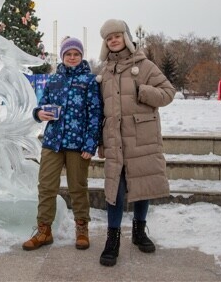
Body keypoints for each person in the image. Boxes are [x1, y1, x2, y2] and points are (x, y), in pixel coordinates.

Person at [95, 19, 176, 266]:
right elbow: (100, 110)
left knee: (142, 185)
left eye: (117, 36)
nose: (113, 41)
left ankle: (139, 232)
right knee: (115, 190)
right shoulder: (104, 72)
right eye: (109, 38)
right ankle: (113, 239)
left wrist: (144, 91)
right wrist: (100, 141)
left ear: (126, 37)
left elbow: (168, 92)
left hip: (142, 136)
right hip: (115, 138)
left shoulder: (145, 65)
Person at [22, 37, 103, 251]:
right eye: (69, 54)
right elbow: (40, 106)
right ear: (63, 57)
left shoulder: (90, 81)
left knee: (78, 187)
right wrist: (39, 113)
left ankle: (82, 228)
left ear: (81, 56)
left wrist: (90, 144)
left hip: (78, 144)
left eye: (76, 54)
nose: (72, 57)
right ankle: (44, 230)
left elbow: (95, 114)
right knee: (46, 186)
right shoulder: (54, 80)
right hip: (53, 142)